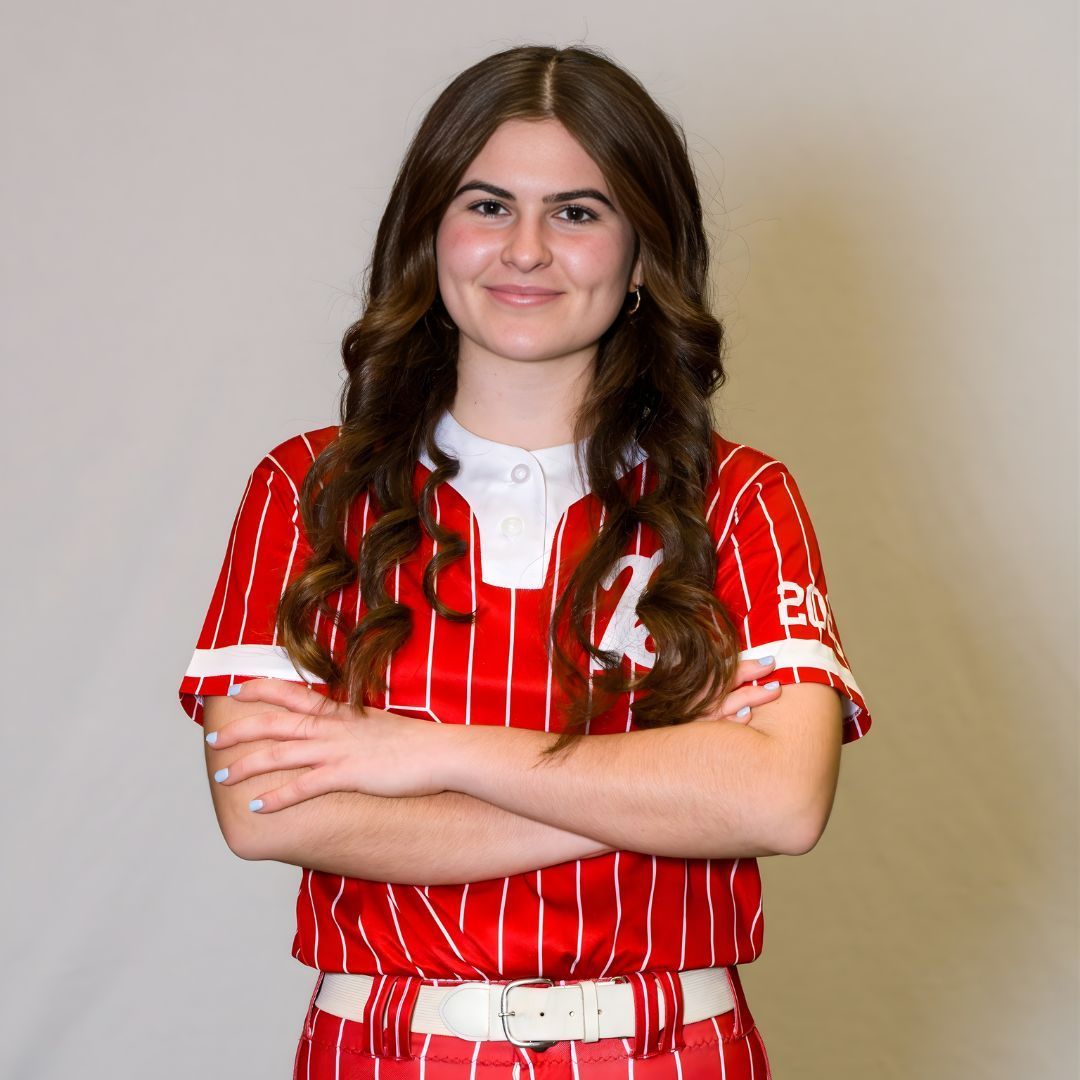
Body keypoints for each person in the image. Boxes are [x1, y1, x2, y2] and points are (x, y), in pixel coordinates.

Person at [178, 43, 873, 1080]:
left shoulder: (742, 497)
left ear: (643, 255)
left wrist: (432, 753)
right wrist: (665, 789)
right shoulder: (305, 489)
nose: (527, 250)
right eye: (490, 205)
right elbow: (265, 806)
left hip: (671, 1050)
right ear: (431, 232)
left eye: (579, 212)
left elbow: (781, 801)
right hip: (387, 1048)